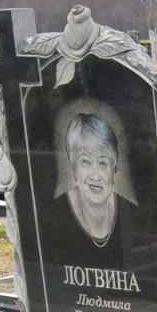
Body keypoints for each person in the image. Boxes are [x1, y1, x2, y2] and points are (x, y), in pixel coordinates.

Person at [48, 110, 140, 264]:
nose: (95, 176)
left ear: (114, 166)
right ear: (73, 166)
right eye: (86, 162)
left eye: (103, 163)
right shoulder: (53, 215)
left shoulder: (133, 213)